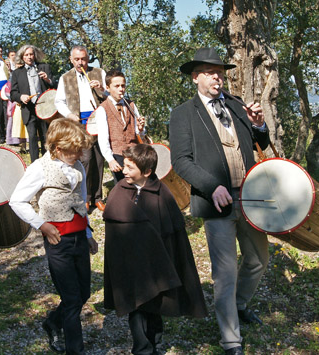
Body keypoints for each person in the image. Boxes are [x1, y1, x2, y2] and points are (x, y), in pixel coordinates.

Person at [169, 47, 270, 355]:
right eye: (211, 72)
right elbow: (182, 161)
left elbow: (260, 143)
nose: (218, 77)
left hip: (250, 198)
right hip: (217, 204)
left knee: (258, 261)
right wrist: (212, 186)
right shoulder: (182, 114)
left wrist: (259, 124)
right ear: (195, 77)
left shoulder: (238, 106)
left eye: (221, 72)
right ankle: (231, 340)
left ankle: (238, 306)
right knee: (225, 274)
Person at [103, 144, 208, 354]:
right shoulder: (119, 191)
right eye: (125, 166)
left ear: (147, 171)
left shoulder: (162, 193)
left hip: (157, 265)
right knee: (137, 308)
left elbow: (175, 233)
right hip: (131, 266)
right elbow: (114, 236)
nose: (124, 171)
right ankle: (142, 348)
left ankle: (155, 343)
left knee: (155, 306)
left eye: (130, 168)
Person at [9, 118, 99, 355]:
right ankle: (75, 350)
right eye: (75, 150)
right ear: (58, 148)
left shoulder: (77, 167)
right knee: (71, 299)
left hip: (79, 236)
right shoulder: (40, 167)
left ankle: (52, 322)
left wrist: (88, 233)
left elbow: (80, 199)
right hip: (58, 240)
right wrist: (42, 225)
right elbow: (17, 200)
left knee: (84, 293)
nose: (80, 155)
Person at [55, 45, 107, 211]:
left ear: (88, 58)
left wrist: (101, 88)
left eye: (83, 59)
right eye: (76, 59)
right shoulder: (65, 78)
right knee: (85, 158)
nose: (80, 63)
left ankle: (97, 197)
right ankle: (85, 197)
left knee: (99, 159)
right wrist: (69, 114)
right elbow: (59, 102)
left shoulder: (99, 72)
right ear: (71, 59)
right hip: (79, 123)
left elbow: (108, 95)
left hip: (98, 119)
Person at [96, 70, 146, 183]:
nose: (121, 89)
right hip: (117, 156)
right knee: (124, 188)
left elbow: (139, 134)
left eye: (123, 86)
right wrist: (110, 160)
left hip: (135, 154)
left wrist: (141, 129)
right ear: (108, 88)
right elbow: (103, 138)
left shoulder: (131, 105)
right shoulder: (102, 109)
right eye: (117, 86)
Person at [10, 44, 55, 162]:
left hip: (44, 108)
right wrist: (21, 97)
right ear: (22, 57)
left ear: (35, 55)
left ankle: (48, 161)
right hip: (28, 109)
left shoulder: (44, 67)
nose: (29, 57)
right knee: (32, 137)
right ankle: (35, 164)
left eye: (31, 54)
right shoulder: (17, 73)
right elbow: (13, 93)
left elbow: (55, 85)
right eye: (26, 55)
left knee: (46, 137)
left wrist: (47, 80)